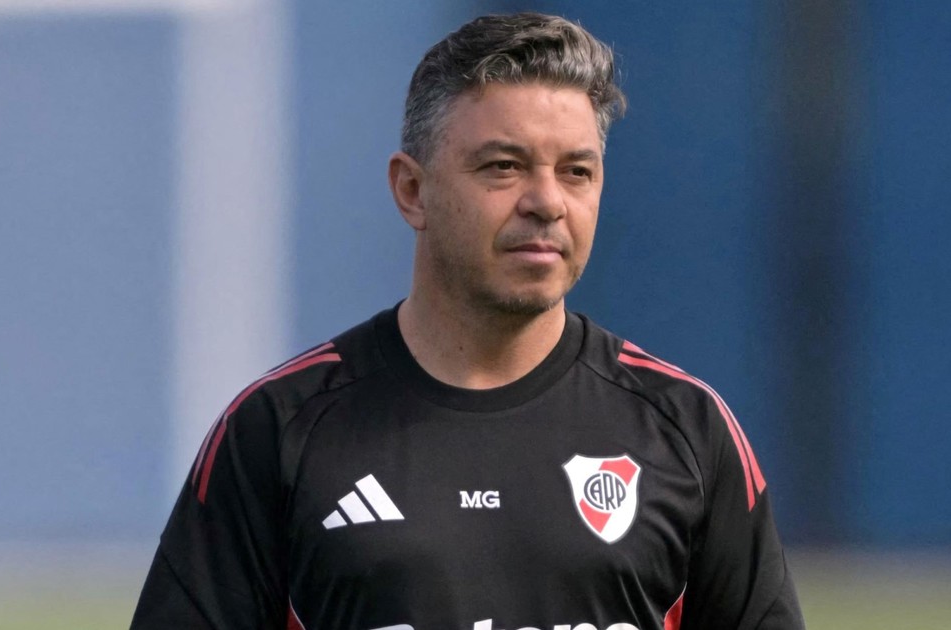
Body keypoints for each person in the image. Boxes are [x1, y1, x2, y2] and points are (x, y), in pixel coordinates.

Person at [131, 12, 803, 630]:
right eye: (504, 167)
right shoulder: (278, 429)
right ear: (412, 190)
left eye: (576, 172)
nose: (547, 202)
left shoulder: (685, 429)